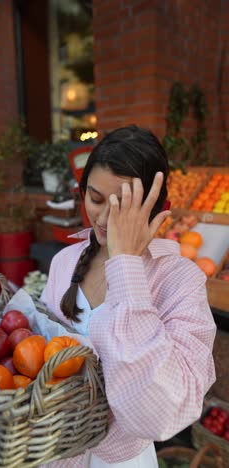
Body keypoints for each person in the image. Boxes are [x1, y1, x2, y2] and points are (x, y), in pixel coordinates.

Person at [41, 125, 216, 468]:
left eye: (122, 206)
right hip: (55, 451)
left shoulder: (182, 282)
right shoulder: (64, 263)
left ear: (156, 207)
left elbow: (159, 414)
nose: (105, 219)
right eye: (95, 198)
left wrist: (126, 267)